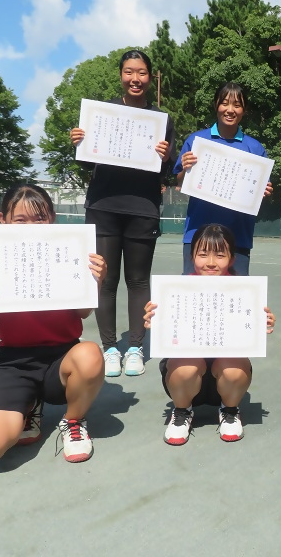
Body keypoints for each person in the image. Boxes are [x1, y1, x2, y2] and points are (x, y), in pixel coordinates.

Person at [0, 183, 107, 463]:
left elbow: (83, 313)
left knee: (91, 356)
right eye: (20, 220)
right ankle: (29, 405)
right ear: (3, 220)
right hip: (14, 364)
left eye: (40, 218)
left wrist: (94, 281)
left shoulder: (70, 253)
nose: (32, 226)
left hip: (62, 360)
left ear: (52, 218)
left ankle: (73, 421)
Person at [70, 49, 176, 378]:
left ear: (149, 76)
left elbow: (167, 171)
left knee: (138, 280)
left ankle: (134, 347)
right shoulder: (103, 114)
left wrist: (167, 154)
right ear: (121, 75)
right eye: (129, 72)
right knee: (105, 281)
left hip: (143, 208)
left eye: (142, 72)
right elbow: (88, 161)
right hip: (103, 206)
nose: (135, 78)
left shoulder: (162, 120)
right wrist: (79, 143)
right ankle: (109, 348)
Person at [143, 224, 276, 445]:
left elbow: (250, 330)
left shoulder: (245, 292)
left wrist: (262, 324)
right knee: (187, 366)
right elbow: (164, 327)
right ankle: (182, 411)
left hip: (223, 376)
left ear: (232, 258)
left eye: (220, 255)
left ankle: (230, 409)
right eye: (203, 254)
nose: (211, 262)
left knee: (233, 369)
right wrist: (154, 321)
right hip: (185, 375)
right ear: (192, 255)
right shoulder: (175, 290)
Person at [173, 82, 272, 276]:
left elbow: (258, 193)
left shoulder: (255, 148)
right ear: (216, 105)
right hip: (197, 234)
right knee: (193, 295)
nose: (230, 110)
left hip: (238, 237)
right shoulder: (195, 141)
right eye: (225, 103)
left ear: (244, 110)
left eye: (237, 105)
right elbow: (179, 182)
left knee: (236, 296)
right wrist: (184, 169)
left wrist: (263, 191)